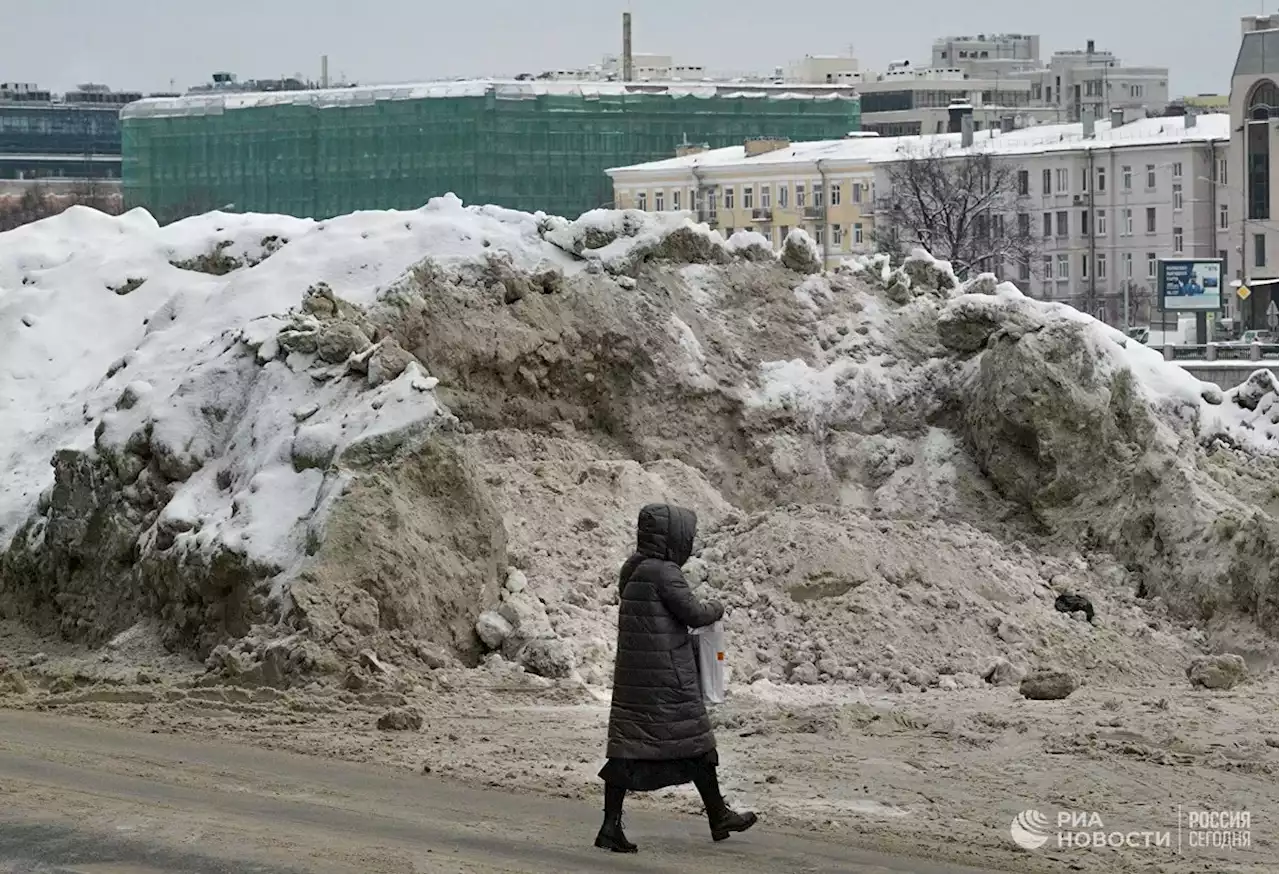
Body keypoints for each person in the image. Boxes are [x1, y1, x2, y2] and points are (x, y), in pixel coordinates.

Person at [594, 503, 757, 853]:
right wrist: (718, 607)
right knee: (698, 744)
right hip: (666, 680)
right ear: (673, 537)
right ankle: (718, 816)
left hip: (636, 681)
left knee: (627, 750)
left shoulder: (633, 569)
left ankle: (612, 826)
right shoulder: (664, 573)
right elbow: (695, 614)